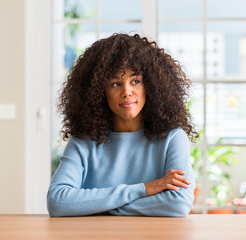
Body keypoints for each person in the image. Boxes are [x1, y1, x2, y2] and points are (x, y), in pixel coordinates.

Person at [47, 33, 199, 217]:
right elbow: (58, 201)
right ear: (99, 92)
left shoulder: (173, 138)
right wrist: (144, 189)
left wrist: (97, 206)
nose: (126, 92)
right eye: (115, 83)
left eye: (135, 81)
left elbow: (178, 203)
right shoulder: (83, 142)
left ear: (150, 86)